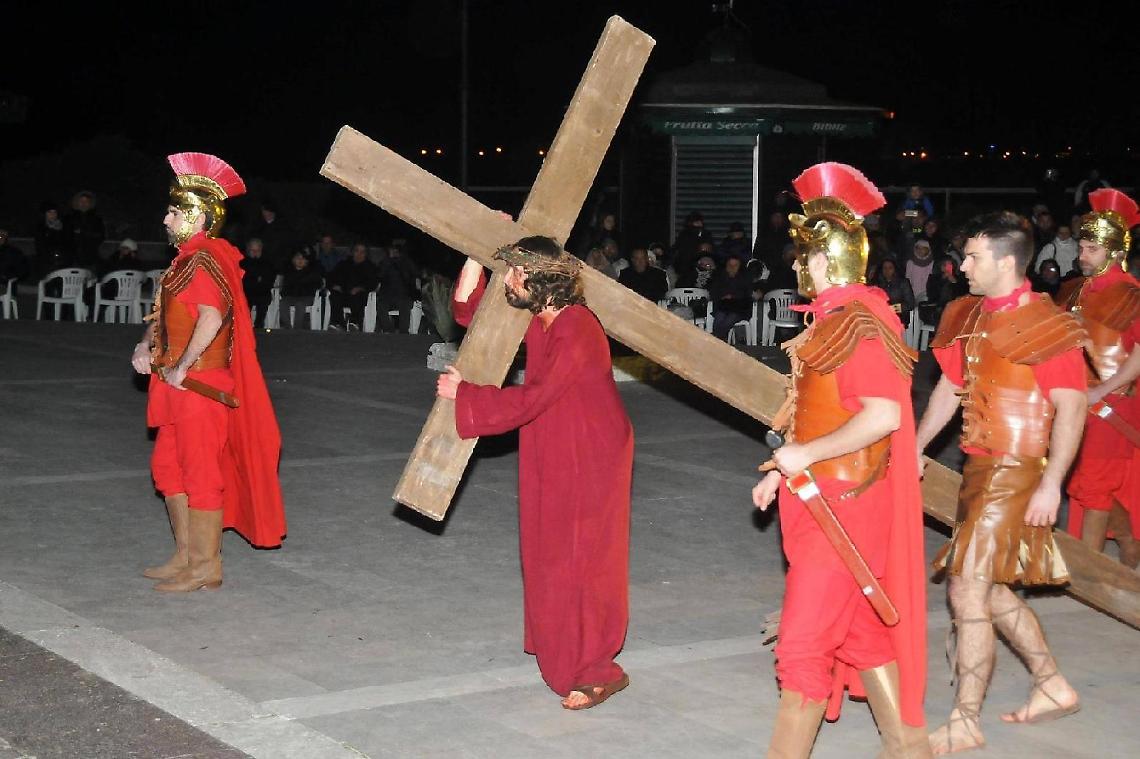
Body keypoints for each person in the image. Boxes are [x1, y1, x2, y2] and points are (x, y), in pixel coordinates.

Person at [752, 163, 929, 758]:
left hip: (847, 508)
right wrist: (785, 472)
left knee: (801, 649)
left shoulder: (859, 323)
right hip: (822, 498)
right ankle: (911, 750)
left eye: (804, 255)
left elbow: (883, 416)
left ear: (826, 258)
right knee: (860, 635)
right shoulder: (834, 318)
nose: (796, 266)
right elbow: (817, 415)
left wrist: (805, 454)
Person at [437, 236, 633, 711]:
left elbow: (535, 397)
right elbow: (470, 313)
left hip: (591, 456)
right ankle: (563, 650)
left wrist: (467, 395)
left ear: (540, 280)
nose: (508, 280)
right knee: (549, 553)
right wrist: (475, 252)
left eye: (515, 273)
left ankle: (598, 669)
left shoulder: (578, 327)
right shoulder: (541, 318)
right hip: (554, 443)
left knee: (584, 560)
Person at [916, 211, 1086, 753]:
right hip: (979, 468)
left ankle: (965, 720)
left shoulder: (1047, 323)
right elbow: (950, 388)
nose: (962, 266)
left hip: (1017, 468)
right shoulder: (967, 314)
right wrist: (917, 446)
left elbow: (1072, 407)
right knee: (990, 589)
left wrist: (1052, 483)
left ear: (1007, 262)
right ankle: (1052, 684)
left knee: (966, 588)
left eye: (973, 257)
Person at [130, 152, 285, 592]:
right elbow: (164, 317)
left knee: (200, 472)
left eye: (174, 213)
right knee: (167, 467)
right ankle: (185, 556)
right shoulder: (185, 259)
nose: (166, 219)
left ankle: (205, 566)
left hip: (199, 385)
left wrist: (182, 366)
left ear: (197, 217)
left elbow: (212, 317)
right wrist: (144, 346)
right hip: (174, 381)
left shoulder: (202, 259)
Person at [1056, 189, 1140, 568]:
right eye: (1082, 247)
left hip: (1114, 404)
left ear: (1115, 252)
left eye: (1092, 249)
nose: (1082, 255)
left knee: (1093, 487)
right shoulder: (1076, 289)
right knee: (1080, 482)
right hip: (1077, 399)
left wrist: (1101, 392)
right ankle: (1128, 538)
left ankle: (1087, 573)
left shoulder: (1131, 295)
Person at [328, 242, 378, 329]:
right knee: (335, 295)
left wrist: (361, 288)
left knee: (357, 297)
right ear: (352, 252)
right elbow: (331, 277)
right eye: (357, 251)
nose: (359, 254)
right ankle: (338, 323)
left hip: (360, 295)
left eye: (362, 252)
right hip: (344, 293)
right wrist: (334, 285)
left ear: (366, 254)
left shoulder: (370, 266)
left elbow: (373, 283)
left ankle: (355, 322)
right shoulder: (343, 264)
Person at [707, 254, 753, 340]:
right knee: (719, 317)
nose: (732, 267)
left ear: (740, 266)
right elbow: (713, 292)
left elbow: (748, 294)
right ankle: (718, 339)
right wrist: (722, 296)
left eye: (735, 265)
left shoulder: (745, 277)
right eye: (730, 265)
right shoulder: (720, 276)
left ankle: (715, 338)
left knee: (730, 318)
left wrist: (733, 296)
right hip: (723, 306)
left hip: (740, 307)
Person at [376, 244, 419, 332]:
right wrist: (389, 261)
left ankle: (404, 332)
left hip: (403, 295)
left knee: (405, 306)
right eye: (392, 251)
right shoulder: (385, 262)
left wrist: (400, 264)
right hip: (387, 295)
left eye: (396, 251)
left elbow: (413, 276)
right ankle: (388, 329)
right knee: (380, 306)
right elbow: (379, 275)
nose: (394, 253)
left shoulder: (407, 262)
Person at [279, 250, 324, 328]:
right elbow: (285, 287)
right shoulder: (289, 272)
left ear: (306, 261)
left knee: (300, 304)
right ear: (293, 260)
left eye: (303, 258)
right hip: (291, 296)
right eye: (298, 258)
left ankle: (297, 328)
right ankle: (287, 327)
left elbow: (318, 284)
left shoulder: (312, 272)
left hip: (306, 296)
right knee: (282, 303)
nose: (300, 260)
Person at [239, 238, 277, 328]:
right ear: (248, 250)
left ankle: (259, 326)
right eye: (253, 250)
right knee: (244, 301)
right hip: (247, 291)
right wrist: (256, 278)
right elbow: (243, 279)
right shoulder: (243, 262)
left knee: (263, 300)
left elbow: (269, 279)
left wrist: (257, 279)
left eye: (258, 250)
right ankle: (245, 326)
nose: (255, 253)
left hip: (262, 291)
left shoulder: (267, 263)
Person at [64, 190, 105, 268]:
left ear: (90, 203)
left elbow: (101, 236)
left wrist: (85, 233)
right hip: (72, 259)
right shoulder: (68, 218)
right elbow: (64, 236)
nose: (84, 203)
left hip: (91, 257)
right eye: (81, 201)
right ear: (77, 202)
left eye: (86, 201)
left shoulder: (97, 219)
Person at [872, 256, 916, 321]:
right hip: (881, 317)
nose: (887, 271)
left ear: (895, 269)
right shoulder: (877, 283)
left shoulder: (903, 283)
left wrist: (891, 309)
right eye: (885, 268)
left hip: (899, 317)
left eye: (890, 268)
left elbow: (910, 304)